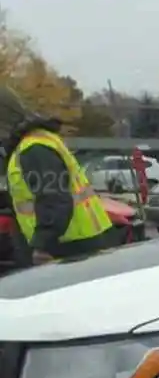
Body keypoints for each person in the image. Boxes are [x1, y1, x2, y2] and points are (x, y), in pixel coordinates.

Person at [1, 87, 117, 267]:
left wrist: (42, 245)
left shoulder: (34, 149)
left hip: (70, 251)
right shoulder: (30, 145)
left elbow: (54, 200)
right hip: (74, 246)